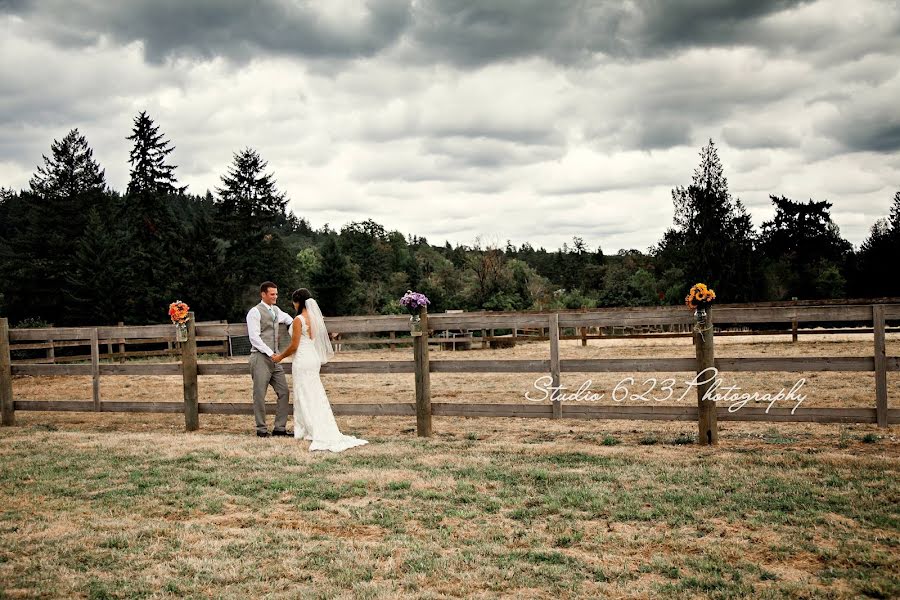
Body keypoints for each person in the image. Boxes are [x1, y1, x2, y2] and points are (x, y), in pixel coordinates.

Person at [273, 288, 368, 452]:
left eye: (294, 302)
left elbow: (294, 345)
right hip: (313, 358)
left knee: (303, 393)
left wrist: (280, 357)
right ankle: (313, 426)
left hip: (302, 359)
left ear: (298, 302)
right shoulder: (315, 319)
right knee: (314, 392)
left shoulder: (298, 320)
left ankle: (308, 428)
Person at [246, 281, 294, 438]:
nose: (275, 297)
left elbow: (289, 320)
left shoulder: (276, 310)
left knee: (284, 391)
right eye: (272, 294)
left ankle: (279, 428)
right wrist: (270, 353)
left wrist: (297, 327)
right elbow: (254, 337)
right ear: (263, 294)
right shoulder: (255, 312)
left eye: (276, 294)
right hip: (260, 357)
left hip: (275, 358)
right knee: (259, 393)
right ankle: (261, 429)